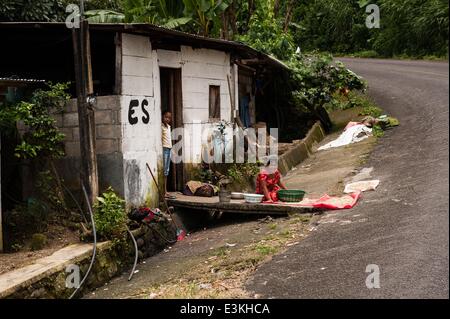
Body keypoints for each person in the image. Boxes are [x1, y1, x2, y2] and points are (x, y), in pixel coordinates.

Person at [162, 111, 173, 198]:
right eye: (166, 117)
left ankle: (165, 190)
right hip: (164, 149)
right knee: (164, 170)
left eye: (169, 118)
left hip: (169, 149)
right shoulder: (161, 127)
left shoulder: (169, 127)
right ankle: (164, 191)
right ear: (162, 116)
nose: (167, 119)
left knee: (167, 171)